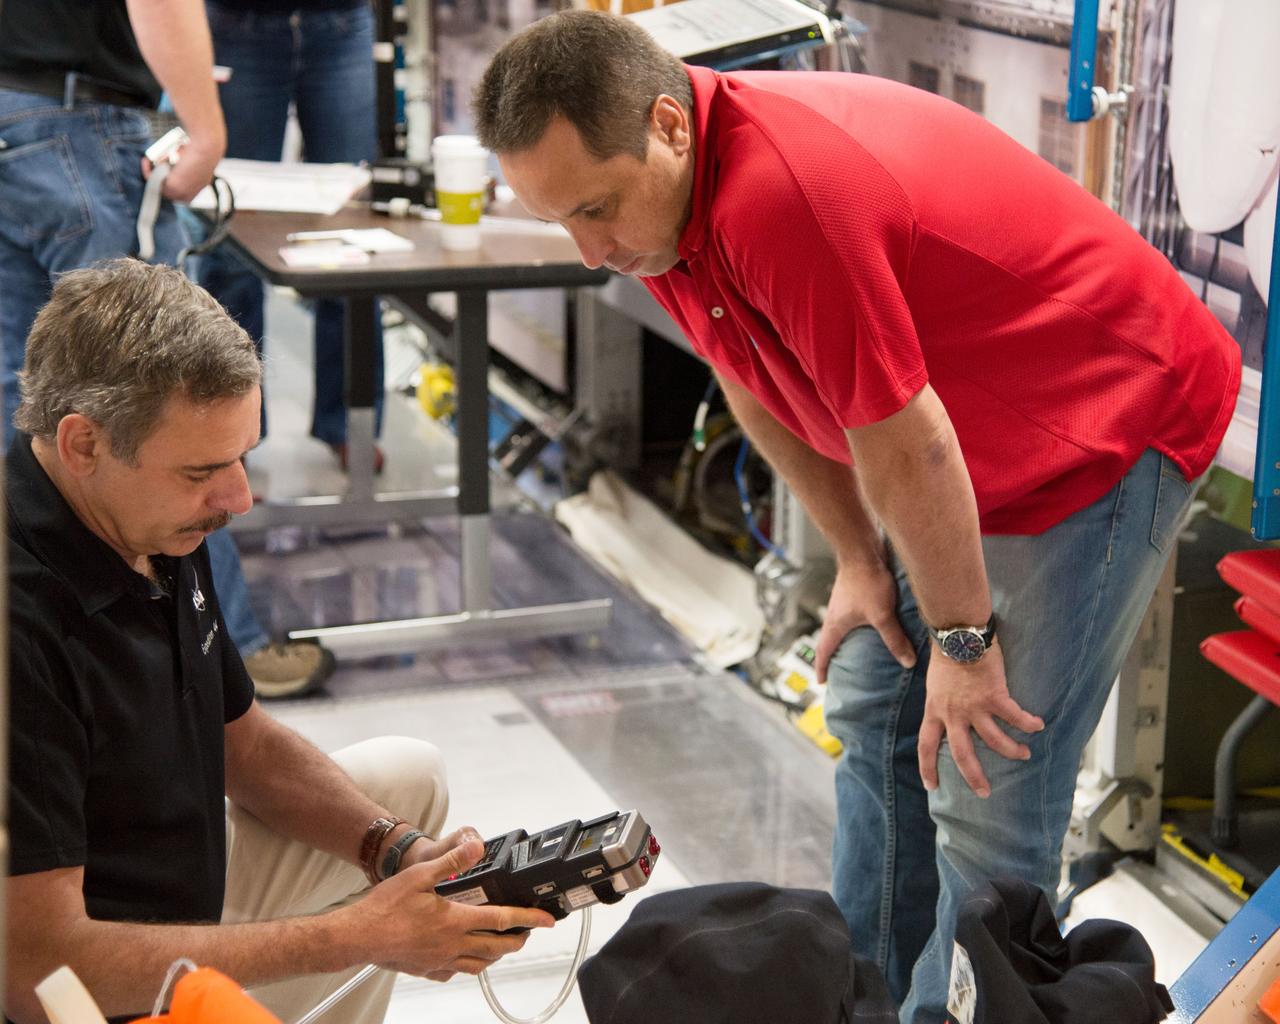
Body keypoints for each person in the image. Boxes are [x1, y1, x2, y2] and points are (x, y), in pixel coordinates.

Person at [474, 12, 1242, 1022]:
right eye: (560, 220)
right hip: (952, 449)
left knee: (986, 793)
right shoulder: (659, 214)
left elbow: (907, 440)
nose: (587, 250)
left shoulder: (778, 197)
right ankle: (866, 1005)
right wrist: (855, 560)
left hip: (1098, 423)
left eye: (593, 209)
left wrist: (964, 642)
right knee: (877, 719)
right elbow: (750, 378)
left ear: (667, 123)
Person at [4, 259, 553, 1024]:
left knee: (406, 782)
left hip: (167, 897)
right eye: (204, 470)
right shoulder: (19, 630)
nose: (239, 497)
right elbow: (37, 974)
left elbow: (246, 745)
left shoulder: (148, 515)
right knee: (363, 926)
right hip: (73, 976)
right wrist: (354, 936)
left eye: (241, 456)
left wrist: (392, 852)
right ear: (83, 444)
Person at [0, 0, 333, 696]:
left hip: (15, 117)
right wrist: (206, 130)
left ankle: (57, 655)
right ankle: (221, 656)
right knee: (174, 402)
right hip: (78, 129)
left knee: (22, 401)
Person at [196, 0, 388, 472]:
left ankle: (349, 423)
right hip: (238, 24)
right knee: (231, 238)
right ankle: (227, 434)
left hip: (342, 22)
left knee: (353, 235)